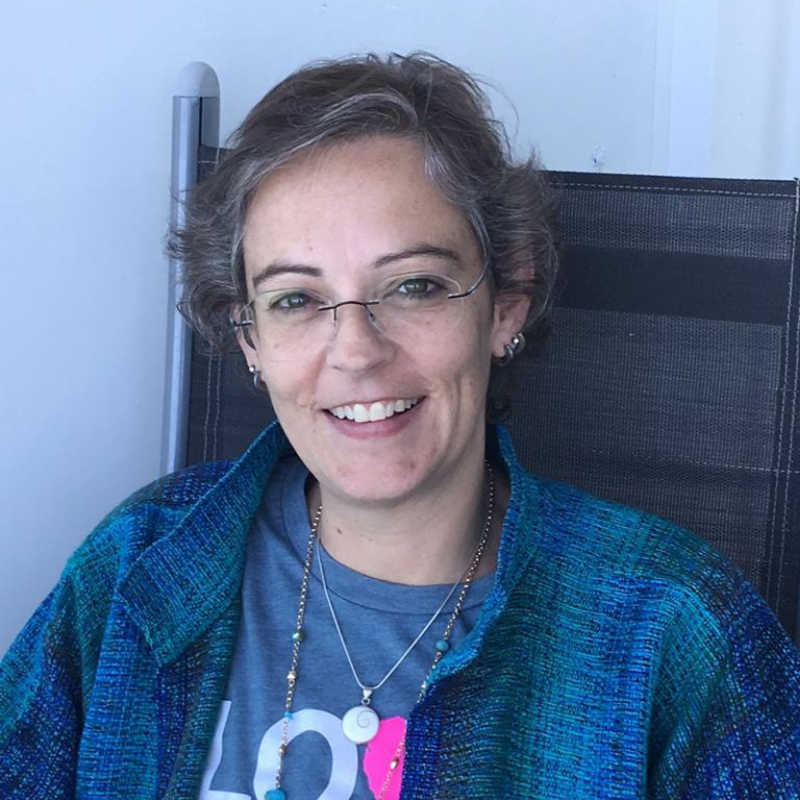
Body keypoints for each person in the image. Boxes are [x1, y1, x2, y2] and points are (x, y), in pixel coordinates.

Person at [1, 53, 800, 800]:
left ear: (507, 302)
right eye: (295, 299)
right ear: (250, 341)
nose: (355, 352)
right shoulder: (137, 566)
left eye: (415, 285)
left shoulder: (671, 629)